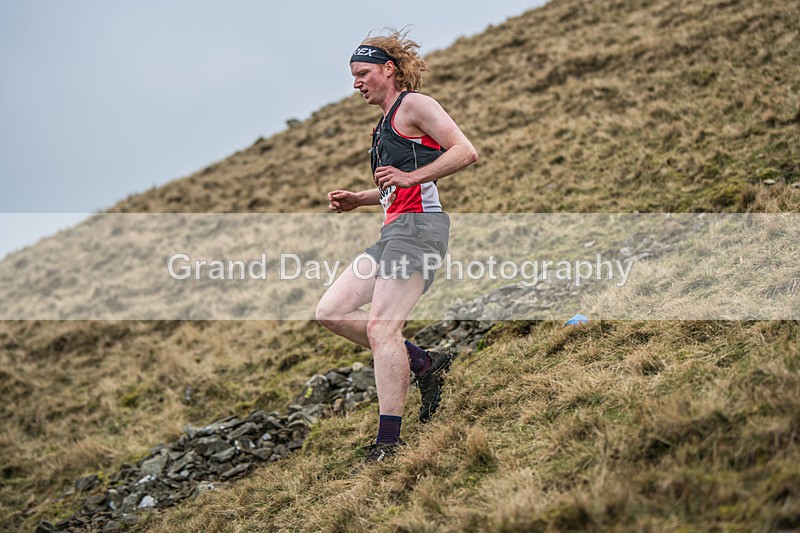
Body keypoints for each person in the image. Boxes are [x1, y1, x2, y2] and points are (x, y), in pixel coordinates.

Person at [315, 29, 478, 464]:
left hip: (420, 230)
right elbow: (396, 185)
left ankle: (388, 443)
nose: (356, 83)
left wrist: (410, 178)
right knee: (330, 311)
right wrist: (361, 198)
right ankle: (425, 363)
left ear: (389, 69)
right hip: (394, 231)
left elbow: (465, 151)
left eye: (363, 73)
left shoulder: (415, 105)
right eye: (353, 75)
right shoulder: (384, 123)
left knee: (380, 329)